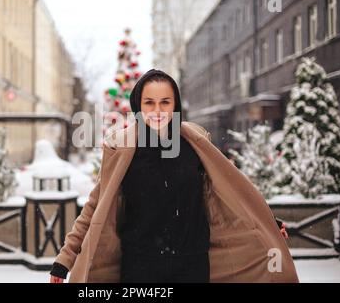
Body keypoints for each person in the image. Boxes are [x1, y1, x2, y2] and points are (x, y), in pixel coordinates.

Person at [50, 69, 298, 283]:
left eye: (165, 102)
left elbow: (229, 190)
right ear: (138, 105)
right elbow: (95, 206)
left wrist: (269, 223)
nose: (157, 111)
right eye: (149, 103)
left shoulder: (195, 143)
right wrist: (65, 258)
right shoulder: (123, 149)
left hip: (191, 264)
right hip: (140, 266)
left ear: (175, 104)